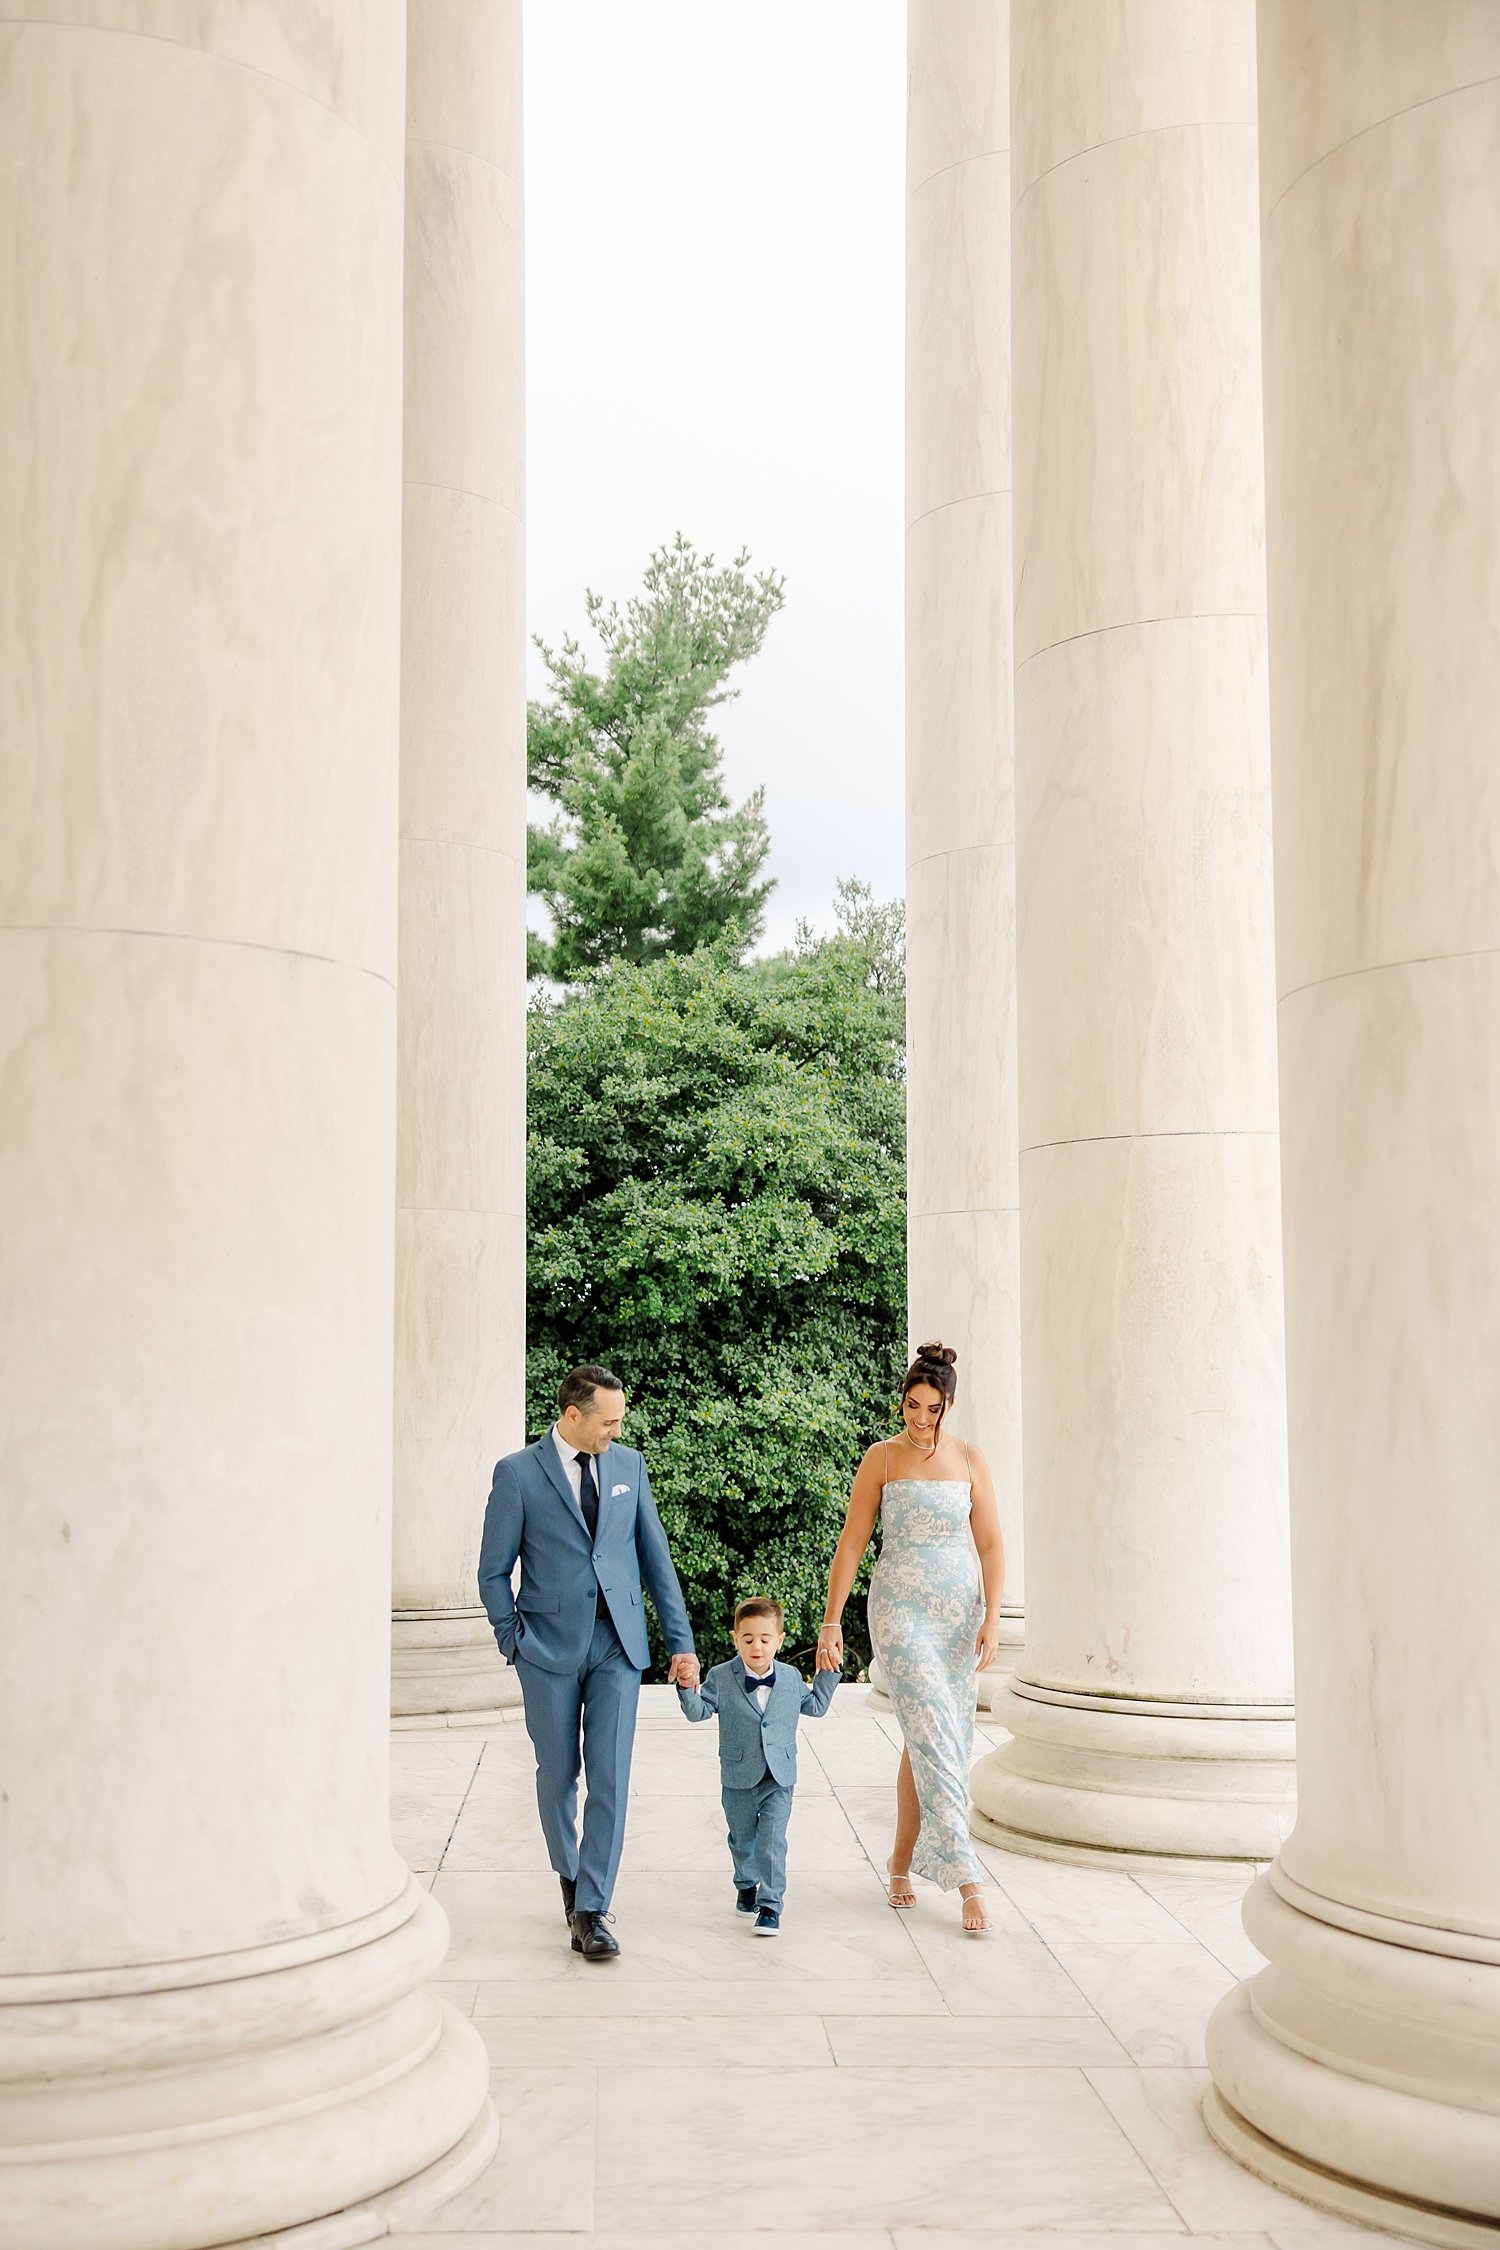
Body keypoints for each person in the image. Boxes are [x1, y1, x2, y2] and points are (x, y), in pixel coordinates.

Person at [477, 1363, 699, 1961]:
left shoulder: (629, 1466)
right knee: (558, 1774)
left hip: (618, 1647)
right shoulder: (518, 1474)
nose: (615, 1430)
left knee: (611, 1777)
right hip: (546, 1649)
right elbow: (492, 1571)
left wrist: (681, 1642)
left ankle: (592, 1908)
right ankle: (570, 1877)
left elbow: (657, 1560)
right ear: (573, 1415)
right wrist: (512, 1640)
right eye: (608, 1421)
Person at [817, 1343, 1004, 1935]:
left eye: (932, 1409)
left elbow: (993, 1544)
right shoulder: (882, 1458)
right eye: (911, 1406)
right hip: (900, 1609)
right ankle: (967, 1877)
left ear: (950, 1405)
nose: (920, 1419)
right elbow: (852, 1542)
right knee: (932, 1731)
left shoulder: (972, 1458)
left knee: (932, 1737)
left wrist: (993, 1617)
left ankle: (900, 1862)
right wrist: (831, 1619)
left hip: (958, 1616)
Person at [676, 1596, 839, 1935]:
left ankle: (770, 1906)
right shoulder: (721, 1676)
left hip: (779, 1777)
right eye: (748, 1639)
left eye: (765, 1639)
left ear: (779, 1640)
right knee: (742, 1840)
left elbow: (817, 1706)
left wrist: (828, 1672)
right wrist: (686, 1687)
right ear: (735, 1638)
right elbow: (699, 1712)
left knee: (772, 1841)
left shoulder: (791, 1677)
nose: (756, 1646)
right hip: (738, 1777)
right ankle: (745, 1883)